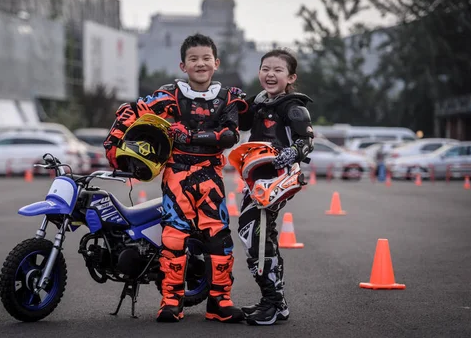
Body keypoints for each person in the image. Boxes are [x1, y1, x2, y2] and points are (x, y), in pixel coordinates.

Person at [104, 33, 247, 323]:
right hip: (176, 174)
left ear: (216, 62)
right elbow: (131, 111)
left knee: (219, 238)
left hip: (210, 175)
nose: (200, 63)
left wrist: (190, 134)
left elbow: (230, 135)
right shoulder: (169, 94)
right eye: (193, 59)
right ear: (183, 65)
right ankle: (171, 302)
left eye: (206, 58)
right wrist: (113, 148)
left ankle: (220, 302)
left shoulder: (229, 97)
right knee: (173, 237)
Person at [236, 49, 314, 325]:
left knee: (253, 235)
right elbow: (234, 122)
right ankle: (276, 303)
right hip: (255, 177)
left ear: (291, 77)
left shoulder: (293, 107)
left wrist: (291, 153)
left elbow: (307, 142)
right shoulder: (256, 103)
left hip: (278, 179)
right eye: (265, 68)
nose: (270, 74)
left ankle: (272, 302)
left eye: (278, 70)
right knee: (258, 236)